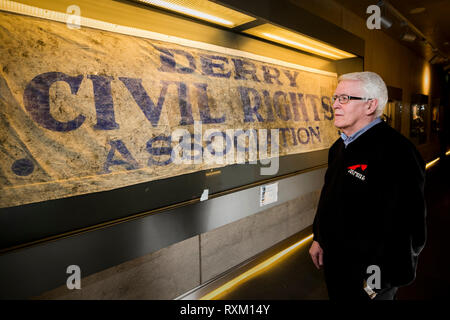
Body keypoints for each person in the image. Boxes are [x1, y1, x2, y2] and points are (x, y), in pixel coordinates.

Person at [309, 71, 426, 300]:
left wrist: (379, 281)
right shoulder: (339, 147)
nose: (334, 105)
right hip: (336, 264)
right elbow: (329, 198)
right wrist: (319, 237)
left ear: (370, 105)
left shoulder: (398, 152)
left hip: (371, 277)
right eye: (334, 98)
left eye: (344, 98)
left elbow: (409, 226)